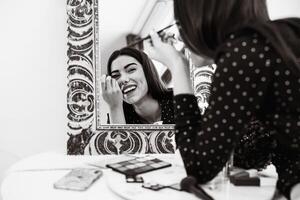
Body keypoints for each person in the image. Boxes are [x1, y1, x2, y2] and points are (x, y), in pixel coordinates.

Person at [146, 0, 300, 199]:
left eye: (181, 25)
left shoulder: (242, 54)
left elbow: (199, 166)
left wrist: (177, 65)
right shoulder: (286, 34)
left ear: (202, 19)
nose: (181, 38)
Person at [101, 47, 174, 124]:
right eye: (116, 76)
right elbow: (118, 136)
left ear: (147, 71)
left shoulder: (177, 99)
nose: (123, 79)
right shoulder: (117, 114)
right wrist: (115, 107)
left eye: (131, 70)